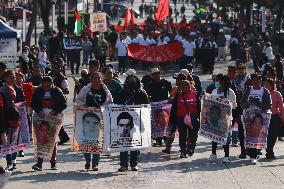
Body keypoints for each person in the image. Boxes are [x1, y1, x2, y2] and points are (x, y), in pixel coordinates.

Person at [75, 72, 113, 171]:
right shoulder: (86, 89)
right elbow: (78, 100)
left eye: (98, 78)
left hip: (99, 119)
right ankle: (88, 160)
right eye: (94, 78)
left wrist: (104, 109)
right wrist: (84, 106)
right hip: (87, 117)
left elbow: (110, 103)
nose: (96, 80)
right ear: (91, 79)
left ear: (102, 79)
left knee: (98, 141)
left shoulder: (105, 91)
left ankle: (95, 164)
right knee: (86, 140)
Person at [31, 76, 67, 171]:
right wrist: (39, 111)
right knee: (41, 140)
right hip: (40, 118)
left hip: (53, 118)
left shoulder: (57, 91)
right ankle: (39, 163)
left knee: (52, 140)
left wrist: (55, 111)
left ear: (52, 84)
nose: (46, 87)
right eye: (44, 85)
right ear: (42, 84)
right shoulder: (38, 91)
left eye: (49, 85)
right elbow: (33, 103)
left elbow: (64, 104)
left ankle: (53, 163)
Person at [114, 75, 149, 172]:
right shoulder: (123, 92)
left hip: (136, 122)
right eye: (129, 80)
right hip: (123, 122)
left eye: (133, 80)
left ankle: (134, 164)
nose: (131, 82)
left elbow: (146, 107)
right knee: (123, 143)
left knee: (134, 144)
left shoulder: (141, 93)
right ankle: (123, 165)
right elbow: (115, 104)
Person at [241, 74, 272, 165]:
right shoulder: (248, 90)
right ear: (251, 81)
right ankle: (252, 156)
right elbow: (242, 103)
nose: (256, 82)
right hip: (249, 118)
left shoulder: (265, 91)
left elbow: (269, 105)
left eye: (258, 80)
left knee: (257, 136)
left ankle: (255, 154)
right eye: (254, 80)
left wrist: (259, 104)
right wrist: (249, 103)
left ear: (261, 81)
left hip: (260, 118)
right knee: (250, 135)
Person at [207, 74, 236, 163]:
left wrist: (225, 101)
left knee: (226, 137)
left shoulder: (230, 92)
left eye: (218, 81)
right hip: (215, 118)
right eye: (216, 81)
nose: (216, 82)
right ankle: (213, 154)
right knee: (214, 136)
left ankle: (226, 156)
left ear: (223, 82)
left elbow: (234, 105)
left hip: (226, 118)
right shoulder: (214, 91)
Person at [169, 79, 199, 158]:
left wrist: (198, 117)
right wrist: (173, 120)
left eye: (186, 85)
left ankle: (191, 148)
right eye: (182, 85)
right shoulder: (178, 96)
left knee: (193, 135)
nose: (184, 86)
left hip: (193, 118)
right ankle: (183, 151)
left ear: (189, 86)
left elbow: (199, 107)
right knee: (182, 135)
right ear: (180, 87)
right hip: (181, 118)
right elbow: (173, 108)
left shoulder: (195, 94)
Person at [145, 67, 172, 146]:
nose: (156, 76)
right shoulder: (150, 85)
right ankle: (158, 140)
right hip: (155, 106)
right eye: (154, 74)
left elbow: (171, 92)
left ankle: (166, 138)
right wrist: (149, 100)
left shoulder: (166, 82)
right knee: (156, 122)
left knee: (165, 121)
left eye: (157, 74)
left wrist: (170, 98)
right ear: (152, 76)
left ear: (160, 74)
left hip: (165, 106)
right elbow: (147, 95)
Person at [0, 70, 20, 171]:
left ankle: (13, 160)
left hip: (14, 116)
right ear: (5, 78)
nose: (13, 79)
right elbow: (4, 107)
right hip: (7, 117)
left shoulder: (13, 88)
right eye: (10, 77)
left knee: (14, 140)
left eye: (13, 77)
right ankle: (9, 162)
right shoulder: (3, 90)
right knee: (8, 141)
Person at [263, 79, 284, 159]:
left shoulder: (277, 93)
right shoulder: (263, 93)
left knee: (274, 135)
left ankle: (269, 149)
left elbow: (281, 106)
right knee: (267, 135)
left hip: (275, 116)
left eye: (268, 84)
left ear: (272, 85)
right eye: (265, 84)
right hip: (264, 116)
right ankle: (270, 151)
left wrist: (282, 116)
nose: (266, 86)